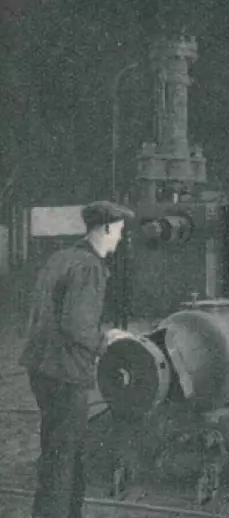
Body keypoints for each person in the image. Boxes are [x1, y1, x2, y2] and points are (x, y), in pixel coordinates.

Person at [18, 200, 134, 518]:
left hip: (42, 368)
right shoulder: (90, 266)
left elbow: (49, 314)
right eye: (119, 231)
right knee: (64, 456)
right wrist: (105, 342)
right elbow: (76, 324)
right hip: (66, 372)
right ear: (106, 228)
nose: (120, 238)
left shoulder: (62, 257)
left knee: (57, 451)